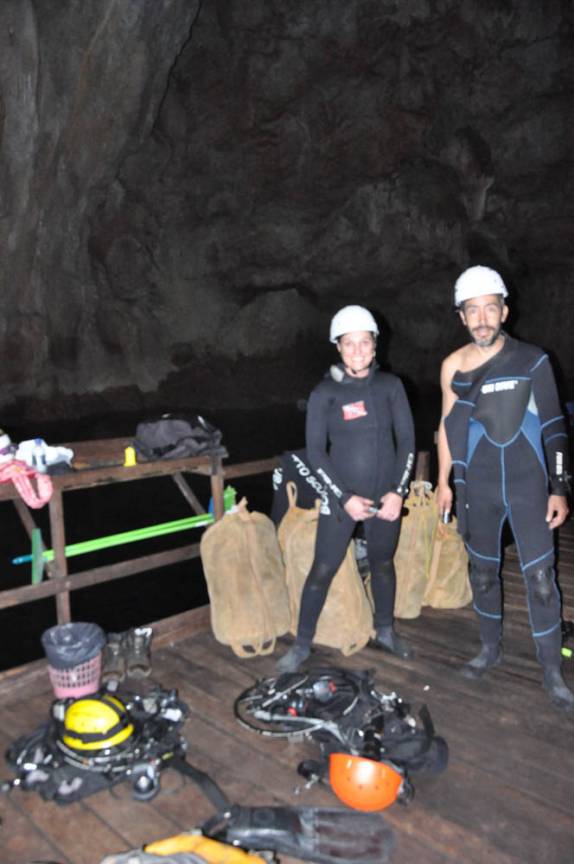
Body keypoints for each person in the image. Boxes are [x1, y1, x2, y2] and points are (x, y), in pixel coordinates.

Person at [436, 265, 573, 711]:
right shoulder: (453, 366)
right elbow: (447, 429)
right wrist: (443, 482)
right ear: (462, 316)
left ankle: (551, 669)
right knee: (481, 573)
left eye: (490, 309)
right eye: (473, 310)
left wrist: (559, 487)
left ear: (504, 311)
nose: (482, 319)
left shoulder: (533, 359)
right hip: (477, 487)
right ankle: (489, 649)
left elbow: (554, 425)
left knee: (541, 580)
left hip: (528, 484)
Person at [277, 305, 416, 673]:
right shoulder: (325, 393)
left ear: (375, 345)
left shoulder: (391, 386)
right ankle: (301, 644)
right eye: (349, 343)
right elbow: (315, 452)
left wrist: (398, 492)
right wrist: (343, 497)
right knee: (322, 568)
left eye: (364, 342)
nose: (357, 350)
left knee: (383, 563)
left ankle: (385, 631)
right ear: (338, 347)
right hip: (341, 498)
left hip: (386, 496)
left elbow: (406, 441)